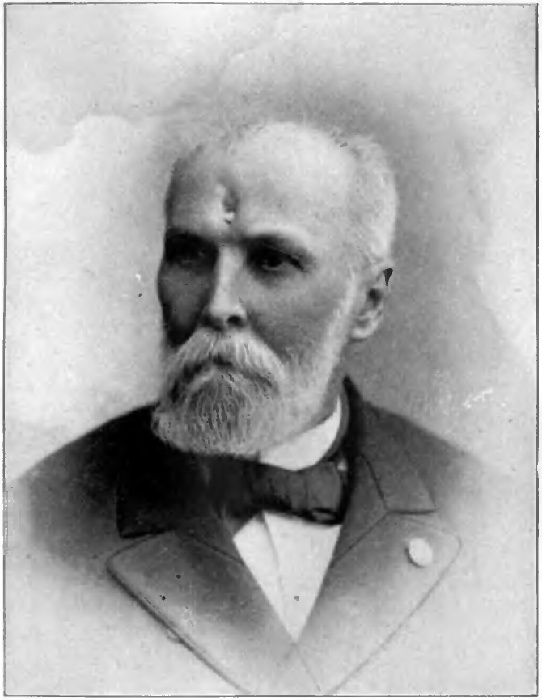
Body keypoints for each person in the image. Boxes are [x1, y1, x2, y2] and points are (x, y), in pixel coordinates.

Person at [6, 121, 534, 695]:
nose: (218, 305)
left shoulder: (497, 522)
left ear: (368, 303)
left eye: (272, 260)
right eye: (190, 255)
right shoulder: (37, 519)